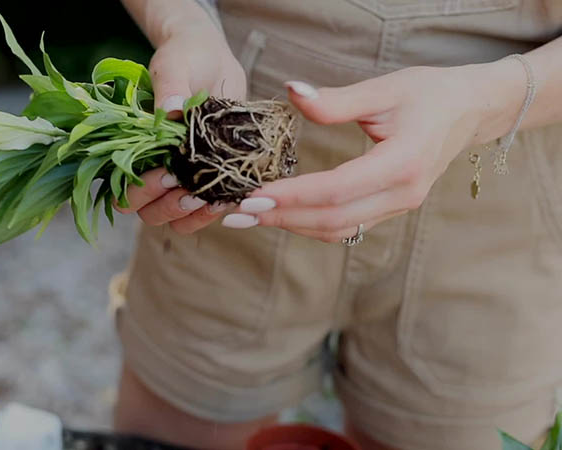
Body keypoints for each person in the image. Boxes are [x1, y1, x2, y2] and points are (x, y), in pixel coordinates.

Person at [112, 1, 562, 449]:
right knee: (182, 429)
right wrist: (183, 22)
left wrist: (493, 101)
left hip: (499, 184)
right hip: (239, 139)